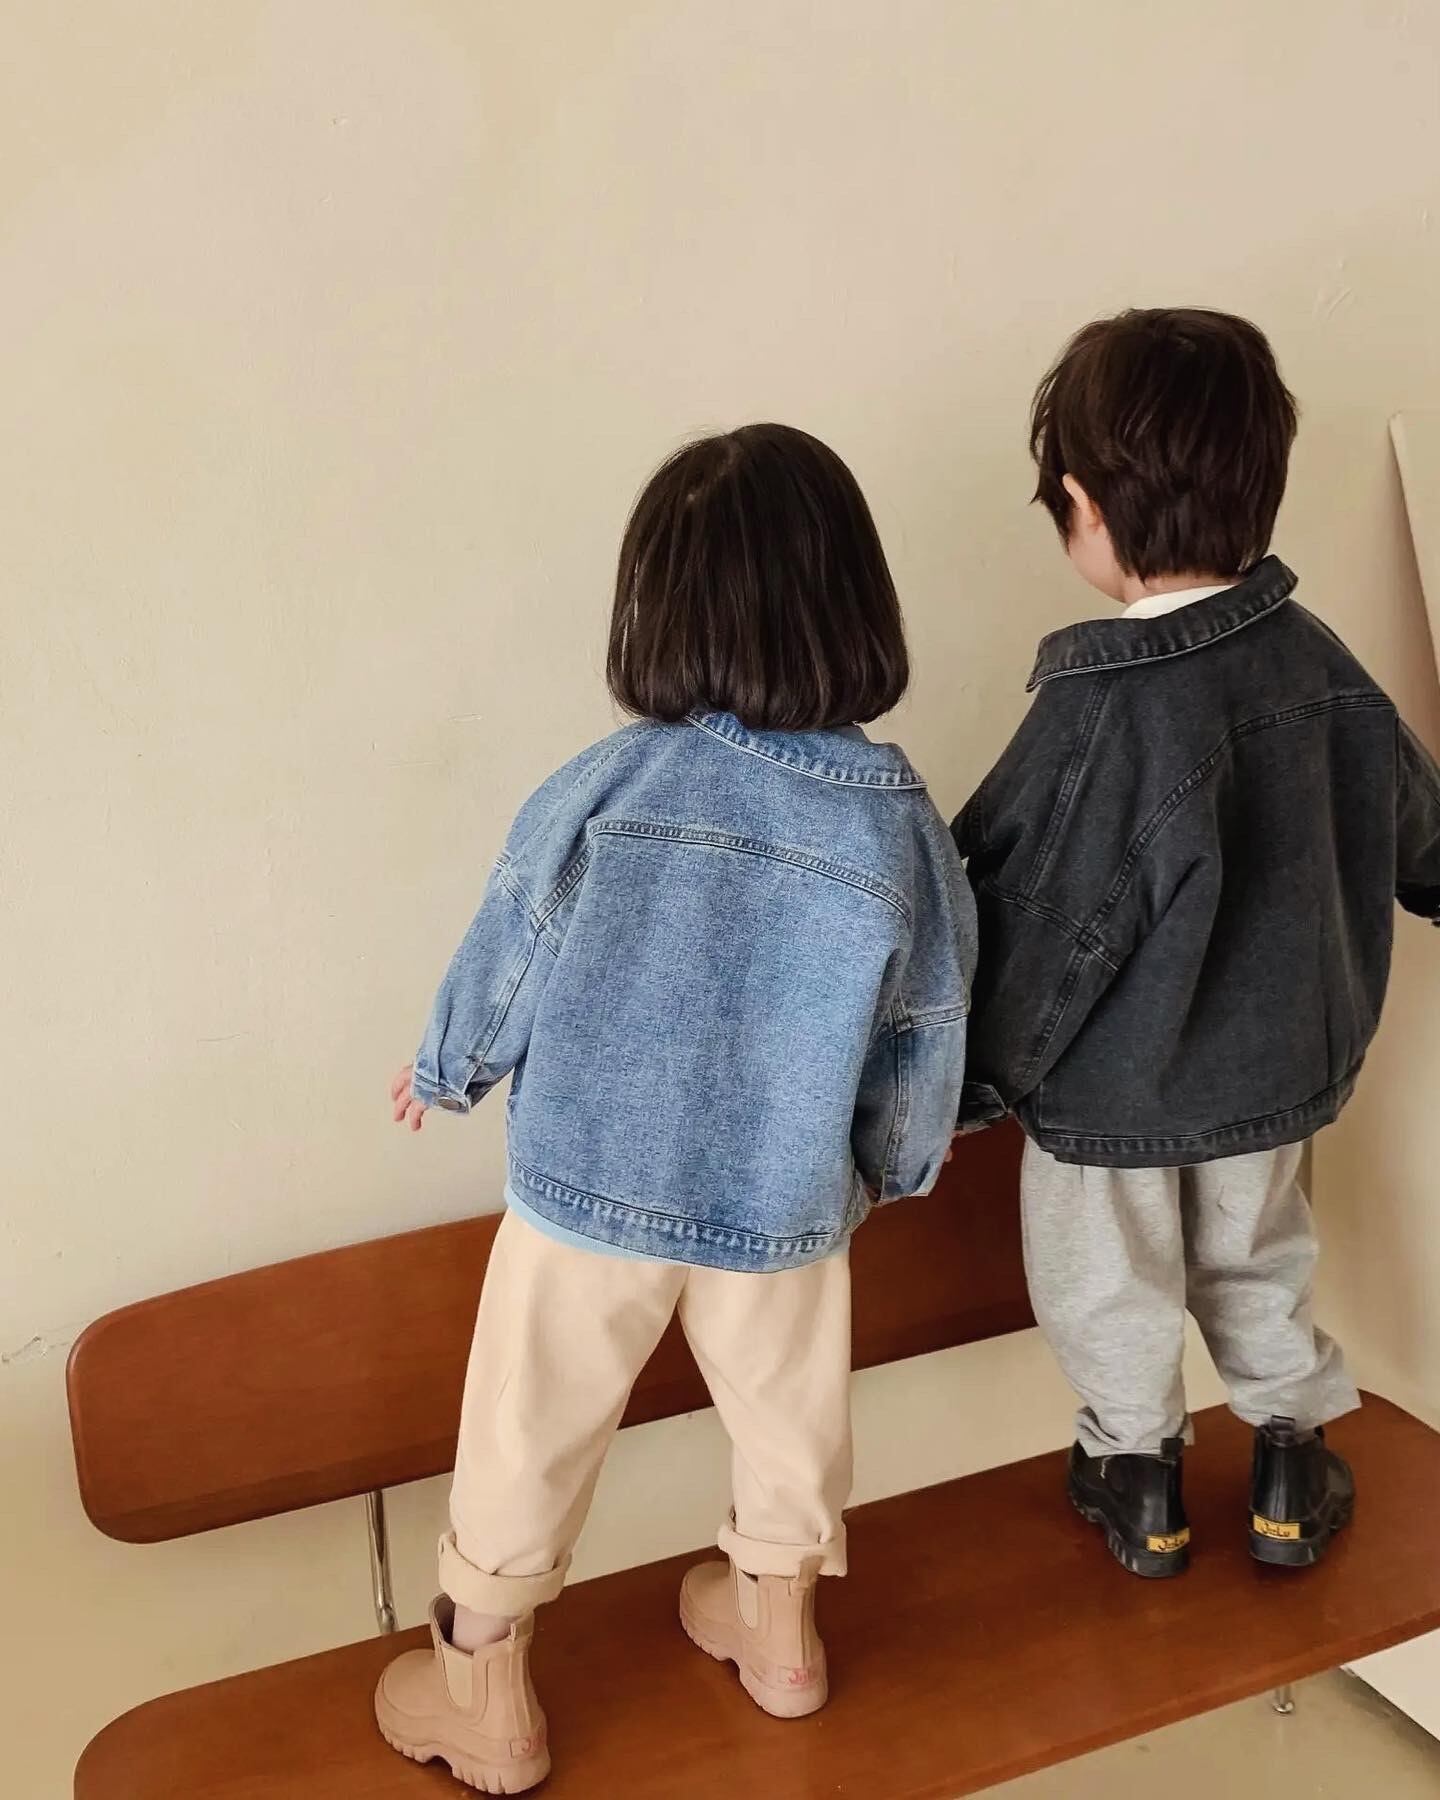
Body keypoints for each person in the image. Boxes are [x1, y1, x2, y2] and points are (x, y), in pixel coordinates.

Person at [375, 423, 975, 1791]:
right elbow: (925, 1017)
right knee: (788, 1418)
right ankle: (780, 1639)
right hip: (782, 1194)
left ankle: (484, 1689)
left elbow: (519, 932)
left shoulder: (615, 781)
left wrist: (452, 1062)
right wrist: (889, 1169)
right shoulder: (895, 819)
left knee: (530, 1422)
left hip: (590, 1183)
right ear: (854, 602)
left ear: (659, 607)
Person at [955, 308, 1440, 1580]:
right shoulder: (1322, 665)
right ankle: (1287, 1465)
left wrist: (972, 1084)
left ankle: (1139, 1479)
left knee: (1107, 1283)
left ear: (1081, 506)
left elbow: (1042, 927)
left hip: (1108, 1102)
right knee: (1260, 1257)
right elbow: (1415, 816)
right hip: (1272, 1078)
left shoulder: (1098, 714)